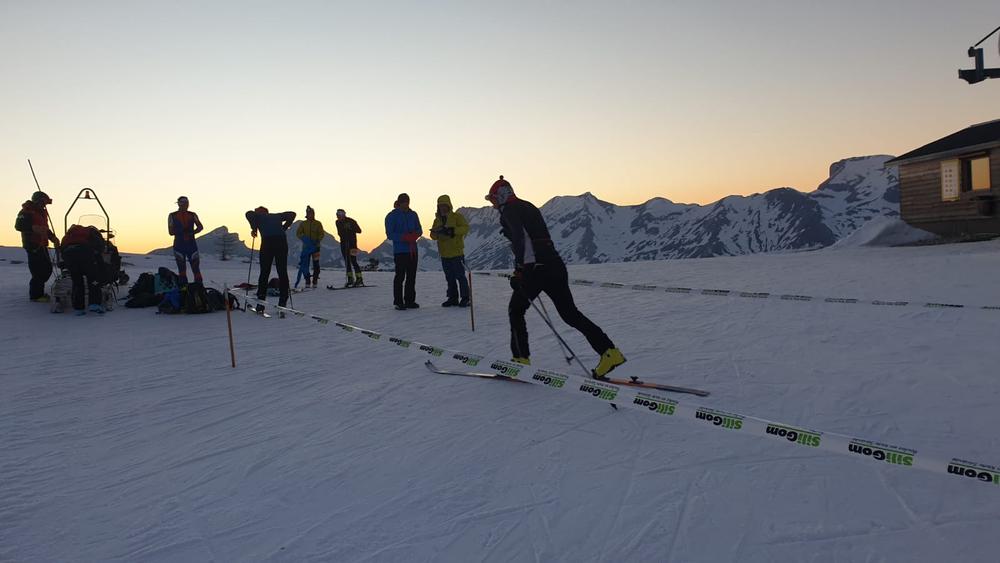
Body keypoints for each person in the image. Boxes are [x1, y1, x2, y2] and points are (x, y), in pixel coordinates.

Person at [486, 175, 626, 378]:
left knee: (516, 310)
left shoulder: (509, 210)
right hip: (554, 264)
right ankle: (609, 352)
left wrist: (520, 270)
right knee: (570, 314)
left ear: (500, 196)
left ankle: (520, 361)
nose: (493, 204)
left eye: (493, 199)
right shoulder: (528, 206)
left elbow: (520, 239)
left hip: (536, 269)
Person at [245, 206, 296, 310]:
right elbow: (292, 214)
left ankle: (260, 302)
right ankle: (283, 301)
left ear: (261, 212)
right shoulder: (276, 216)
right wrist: (285, 227)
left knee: (264, 272)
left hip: (268, 242)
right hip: (281, 241)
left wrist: (253, 228)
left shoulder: (257, 216)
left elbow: (248, 214)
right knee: (282, 271)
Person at [14, 191, 60, 302]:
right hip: (32, 244)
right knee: (38, 271)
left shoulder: (42, 213)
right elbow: (18, 225)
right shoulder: (27, 211)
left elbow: (45, 229)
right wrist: (33, 228)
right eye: (43, 202)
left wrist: (53, 238)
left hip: (42, 245)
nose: (44, 205)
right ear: (38, 201)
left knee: (47, 269)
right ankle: (36, 295)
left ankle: (39, 292)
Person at [429, 195, 470, 307]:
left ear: (448, 205)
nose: (442, 207)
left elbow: (466, 228)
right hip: (444, 253)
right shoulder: (437, 220)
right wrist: (436, 233)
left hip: (456, 252)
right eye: (440, 205)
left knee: (460, 276)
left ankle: (466, 298)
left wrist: (453, 231)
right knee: (450, 277)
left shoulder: (457, 217)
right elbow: (432, 236)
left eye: (444, 205)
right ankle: (453, 298)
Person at [384, 193, 422, 310]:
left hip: (412, 250)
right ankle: (398, 301)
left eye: (407, 201)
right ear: (399, 202)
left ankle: (410, 301)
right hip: (400, 251)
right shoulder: (391, 216)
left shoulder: (413, 214)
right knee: (400, 276)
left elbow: (419, 229)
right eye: (404, 202)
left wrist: (415, 235)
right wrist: (404, 237)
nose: (406, 204)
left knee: (411, 276)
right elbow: (390, 234)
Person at [61, 224, 108, 315]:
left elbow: (62, 249)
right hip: (85, 254)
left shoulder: (69, 235)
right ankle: (94, 304)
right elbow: (99, 248)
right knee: (93, 280)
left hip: (69, 255)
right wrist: (101, 267)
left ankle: (78, 308)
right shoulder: (91, 232)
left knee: (77, 282)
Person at [167, 196, 204, 284]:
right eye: (184, 203)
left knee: (196, 269)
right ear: (179, 204)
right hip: (180, 246)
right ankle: (184, 291)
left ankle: (199, 289)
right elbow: (170, 232)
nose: (186, 205)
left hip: (190, 245)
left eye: (187, 203)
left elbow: (200, 227)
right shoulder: (172, 215)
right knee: (182, 270)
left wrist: (192, 232)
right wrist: (183, 231)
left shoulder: (192, 214)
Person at [295, 206, 325, 288]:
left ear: (313, 214)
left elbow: (321, 234)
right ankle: (307, 281)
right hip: (306, 248)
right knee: (305, 265)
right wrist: (304, 238)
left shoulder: (318, 223)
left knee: (316, 264)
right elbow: (298, 233)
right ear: (307, 214)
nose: (310, 215)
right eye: (308, 213)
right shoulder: (303, 224)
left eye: (311, 213)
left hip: (316, 247)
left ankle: (315, 280)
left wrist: (317, 240)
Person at [335, 209, 364, 287]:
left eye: (339, 215)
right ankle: (350, 279)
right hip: (344, 243)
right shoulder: (337, 222)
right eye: (337, 215)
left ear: (344, 214)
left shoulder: (351, 221)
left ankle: (359, 278)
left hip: (352, 244)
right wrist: (345, 231)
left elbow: (359, 230)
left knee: (353, 261)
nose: (338, 216)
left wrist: (350, 228)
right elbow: (339, 233)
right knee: (347, 261)